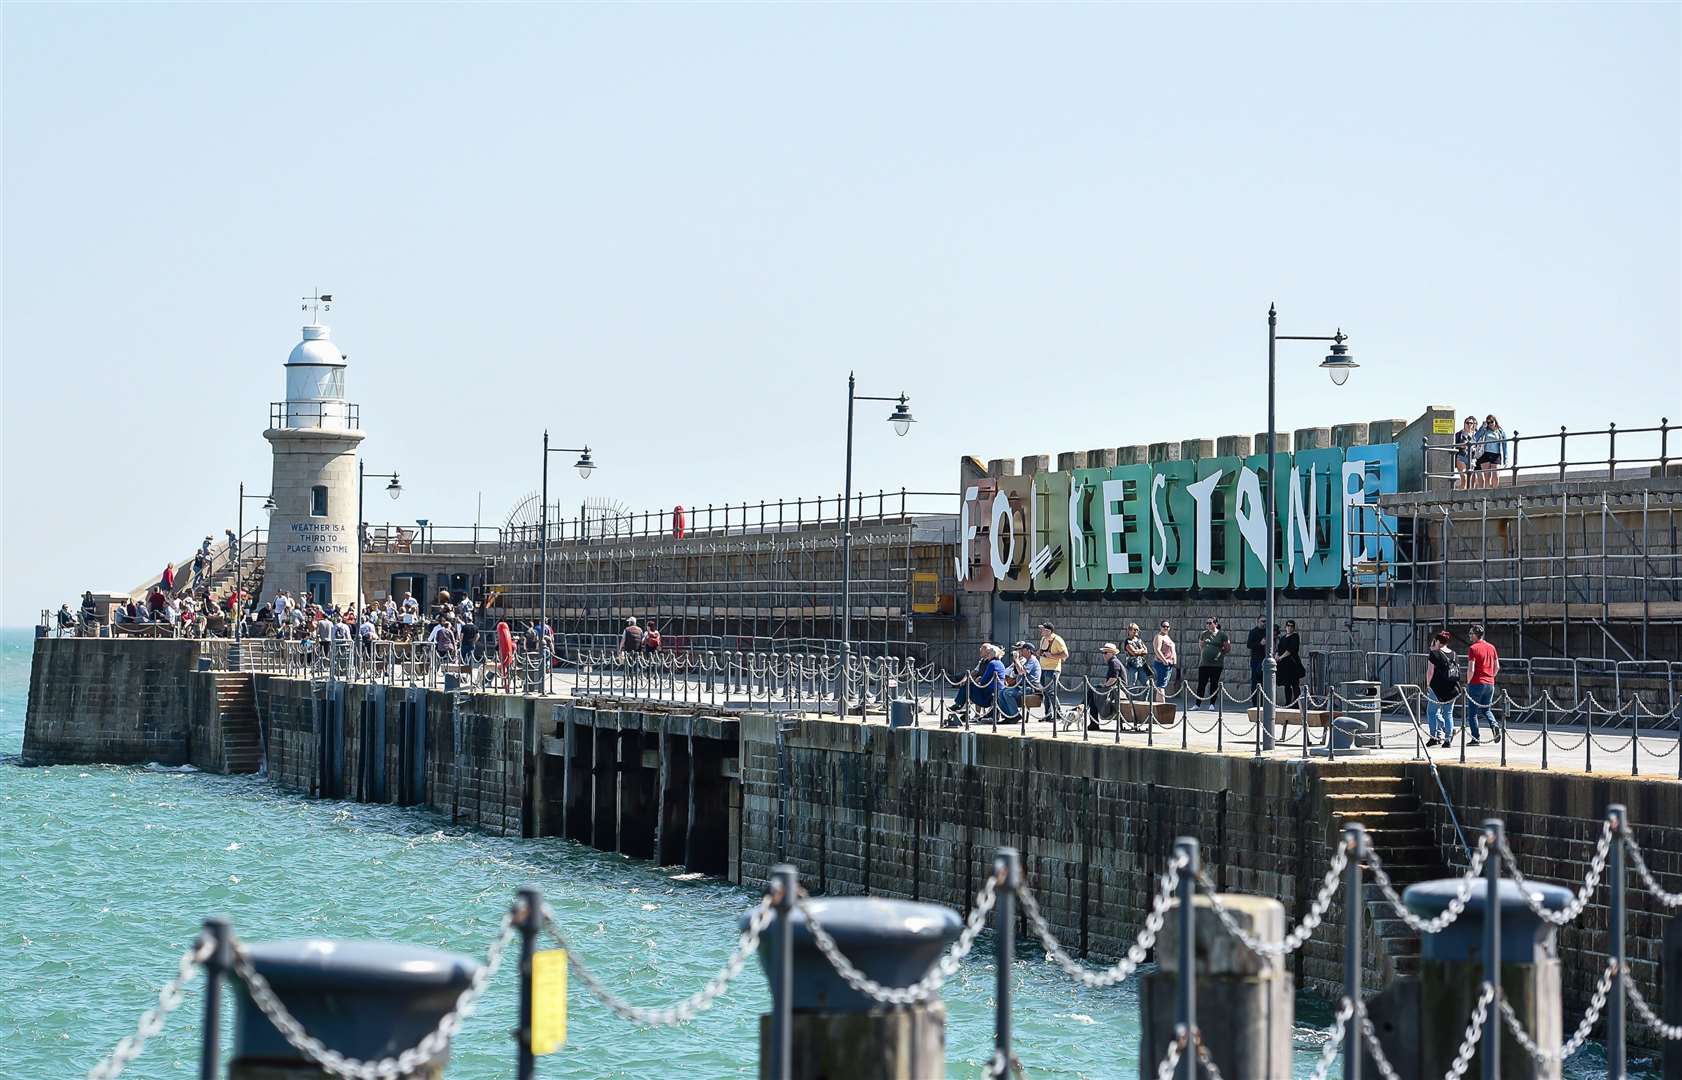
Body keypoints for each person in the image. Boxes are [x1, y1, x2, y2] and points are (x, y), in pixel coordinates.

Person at [948, 643, 1008, 721]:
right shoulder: (998, 663)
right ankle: (961, 706)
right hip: (992, 689)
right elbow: (976, 672)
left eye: (988, 653)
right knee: (969, 686)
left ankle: (960, 705)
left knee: (967, 687)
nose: (987, 655)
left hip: (989, 692)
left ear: (992, 654)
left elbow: (983, 680)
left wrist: (978, 680)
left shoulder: (992, 664)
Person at [1465, 624, 1501, 745]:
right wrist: (1491, 677)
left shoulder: (1473, 648)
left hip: (1476, 683)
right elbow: (1497, 667)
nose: (1469, 636)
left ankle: (1476, 738)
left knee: (1472, 713)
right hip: (1490, 683)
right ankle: (1494, 725)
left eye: (1471, 634)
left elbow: (1471, 669)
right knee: (1486, 710)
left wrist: (1468, 681)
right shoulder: (1492, 647)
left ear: (1476, 635)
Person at [1424, 630, 1461, 747]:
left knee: (1431, 712)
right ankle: (1448, 740)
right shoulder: (1454, 654)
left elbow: (1430, 671)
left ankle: (1434, 737)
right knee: (1448, 713)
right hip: (1452, 688)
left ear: (1438, 641)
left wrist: (1428, 685)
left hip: (1437, 688)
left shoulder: (1434, 654)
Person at [1085, 642, 1125, 728]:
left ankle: (1085, 710)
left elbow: (1113, 679)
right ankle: (1088, 714)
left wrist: (1104, 686)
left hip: (1117, 690)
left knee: (1092, 691)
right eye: (1103, 653)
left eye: (1106, 653)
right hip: (1115, 688)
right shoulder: (1114, 661)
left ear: (1113, 653)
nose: (1104, 655)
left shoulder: (1114, 662)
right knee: (1093, 691)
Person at [998, 642, 1041, 719]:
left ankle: (1015, 715)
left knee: (1008, 693)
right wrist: (1015, 661)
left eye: (1022, 650)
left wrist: (1016, 659)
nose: (1020, 652)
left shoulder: (1032, 660)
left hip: (1030, 687)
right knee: (1001, 692)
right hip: (1022, 686)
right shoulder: (1027, 660)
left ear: (1029, 650)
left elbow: (1022, 672)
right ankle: (1008, 716)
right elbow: (1018, 671)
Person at [1195, 617, 1230, 709]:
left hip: (1216, 664)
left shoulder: (1222, 635)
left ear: (1215, 623)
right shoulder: (1204, 634)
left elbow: (1227, 648)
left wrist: (1218, 654)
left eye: (1210, 623)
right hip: (1204, 663)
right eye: (1207, 623)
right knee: (1201, 683)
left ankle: (1212, 704)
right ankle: (1197, 704)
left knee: (1214, 683)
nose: (1208, 625)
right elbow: (1201, 646)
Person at [1036, 622, 1069, 722]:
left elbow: (1065, 654)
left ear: (1048, 631)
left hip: (1053, 669)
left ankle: (1059, 713)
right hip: (1043, 668)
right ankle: (1048, 715)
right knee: (1045, 692)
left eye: (1042, 629)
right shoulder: (1043, 639)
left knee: (1050, 691)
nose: (1041, 631)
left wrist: (1052, 656)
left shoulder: (1058, 640)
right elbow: (1041, 651)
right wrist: (1039, 653)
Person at [1275, 620, 1306, 706]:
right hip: (1284, 665)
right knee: (1286, 685)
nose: (1290, 627)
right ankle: (1288, 703)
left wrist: (1280, 657)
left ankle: (1297, 703)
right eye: (1288, 626)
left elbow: (1291, 650)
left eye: (1292, 626)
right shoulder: (1283, 638)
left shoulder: (1295, 636)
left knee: (1295, 684)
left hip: (1292, 664)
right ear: (1285, 627)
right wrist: (1277, 656)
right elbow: (1279, 648)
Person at [1475, 414, 1507, 489]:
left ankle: (1495, 493)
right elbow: (1476, 437)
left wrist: (1506, 458)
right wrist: (1482, 427)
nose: (1490, 424)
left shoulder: (1500, 431)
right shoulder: (1485, 430)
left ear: (1495, 421)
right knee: (1487, 476)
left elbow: (1504, 445)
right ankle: (1487, 495)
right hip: (1485, 454)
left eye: (1491, 422)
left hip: (1496, 455)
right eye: (1488, 422)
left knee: (1495, 475)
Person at [1150, 621, 1178, 702]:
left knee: (1162, 685)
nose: (1166, 628)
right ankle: (1161, 706)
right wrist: (1164, 660)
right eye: (1164, 626)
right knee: (1161, 686)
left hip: (1169, 664)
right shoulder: (1159, 637)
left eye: (1167, 626)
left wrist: (1174, 660)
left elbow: (1173, 650)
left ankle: (1160, 706)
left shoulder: (1167, 637)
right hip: (1161, 664)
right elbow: (1157, 650)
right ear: (1160, 627)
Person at [1246, 614, 1267, 705]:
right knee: (1255, 681)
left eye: (1265, 621)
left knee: (1265, 682)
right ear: (1258, 622)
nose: (1264, 623)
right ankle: (1255, 703)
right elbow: (1249, 645)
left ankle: (1264, 702)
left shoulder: (1268, 631)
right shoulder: (1253, 632)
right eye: (1262, 621)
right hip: (1256, 659)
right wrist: (1260, 644)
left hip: (1265, 659)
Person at [1121, 624, 1150, 690]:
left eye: (1137, 629)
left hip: (1141, 665)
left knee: (1147, 684)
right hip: (1132, 666)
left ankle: (1144, 700)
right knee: (1132, 685)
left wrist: (1138, 651)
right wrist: (1141, 650)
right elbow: (1133, 653)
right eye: (1133, 629)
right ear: (1129, 631)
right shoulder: (1127, 641)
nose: (1135, 631)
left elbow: (1146, 651)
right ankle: (1130, 700)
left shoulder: (1139, 640)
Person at [1454, 416, 1478, 489]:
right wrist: (1461, 446)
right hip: (1461, 456)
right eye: (1467, 423)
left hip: (1472, 458)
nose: (1469, 424)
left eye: (1471, 423)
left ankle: (1466, 495)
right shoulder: (1459, 434)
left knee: (1470, 479)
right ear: (1464, 423)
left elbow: (1478, 446)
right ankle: (1461, 495)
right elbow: (1453, 445)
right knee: (1464, 477)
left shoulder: (1475, 435)